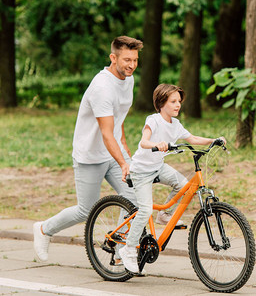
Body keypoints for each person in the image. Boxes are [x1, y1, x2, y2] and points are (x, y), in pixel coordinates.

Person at [33, 36, 143, 262]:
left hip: (112, 152)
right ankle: (44, 229)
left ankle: (120, 245)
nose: (131, 65)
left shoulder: (128, 80)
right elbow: (105, 132)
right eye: (126, 60)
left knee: (134, 198)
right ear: (113, 58)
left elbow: (118, 117)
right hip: (90, 155)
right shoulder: (102, 87)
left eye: (135, 60)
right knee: (86, 210)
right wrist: (123, 162)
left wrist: (125, 151)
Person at [119, 84, 226, 273]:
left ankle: (164, 215)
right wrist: (157, 144)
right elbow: (143, 142)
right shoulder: (153, 120)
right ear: (161, 103)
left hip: (158, 167)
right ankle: (128, 249)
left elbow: (191, 139)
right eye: (173, 102)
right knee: (144, 210)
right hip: (141, 170)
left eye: (179, 102)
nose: (178, 105)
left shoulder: (175, 125)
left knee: (184, 186)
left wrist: (212, 140)